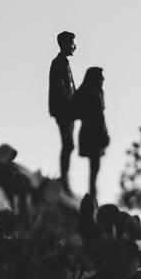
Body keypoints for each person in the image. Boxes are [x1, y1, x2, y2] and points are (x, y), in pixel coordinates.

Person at [74, 66, 110, 203]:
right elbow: (99, 116)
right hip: (93, 133)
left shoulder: (90, 92)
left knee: (95, 167)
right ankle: (92, 195)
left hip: (91, 132)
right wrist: (103, 134)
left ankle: (92, 194)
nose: (103, 79)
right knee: (95, 167)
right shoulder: (93, 93)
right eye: (101, 76)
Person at [49, 31, 78, 192]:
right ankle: (64, 179)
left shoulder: (65, 63)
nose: (75, 46)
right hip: (63, 111)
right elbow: (59, 88)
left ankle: (65, 177)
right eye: (72, 43)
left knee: (69, 144)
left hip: (69, 111)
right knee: (68, 144)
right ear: (65, 44)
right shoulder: (58, 63)